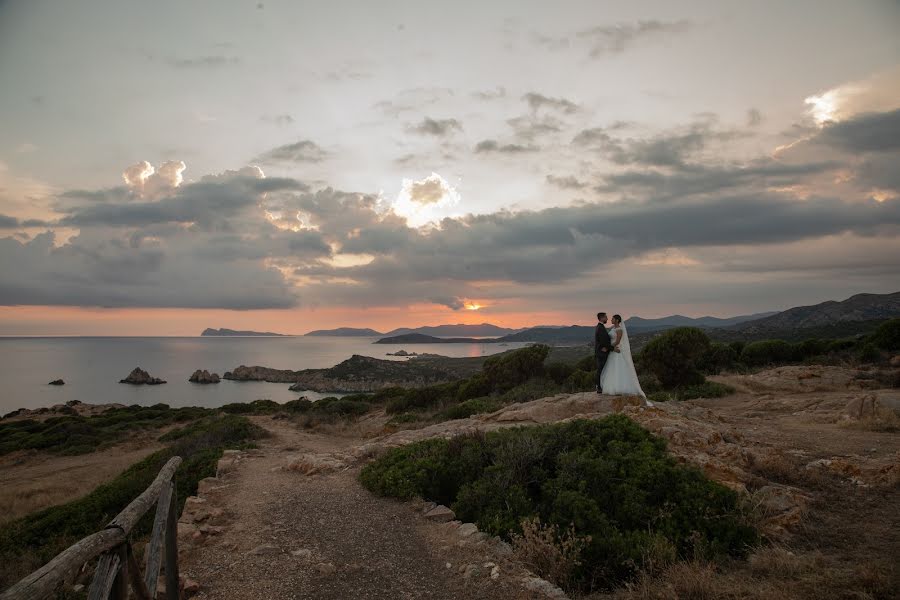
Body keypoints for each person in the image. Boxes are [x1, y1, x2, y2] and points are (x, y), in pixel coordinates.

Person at [599, 314, 647, 398]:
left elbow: (617, 341)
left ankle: (619, 387)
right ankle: (611, 386)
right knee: (612, 368)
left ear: (617, 320)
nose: (611, 320)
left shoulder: (619, 329)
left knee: (618, 368)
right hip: (613, 351)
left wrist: (608, 348)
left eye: (613, 319)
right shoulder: (613, 328)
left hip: (616, 350)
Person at [594, 312, 612, 394]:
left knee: (601, 369)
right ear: (601, 318)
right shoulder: (600, 328)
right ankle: (599, 387)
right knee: (600, 370)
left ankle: (600, 386)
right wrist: (612, 348)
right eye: (606, 317)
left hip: (601, 351)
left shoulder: (600, 327)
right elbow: (603, 341)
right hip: (601, 353)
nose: (607, 319)